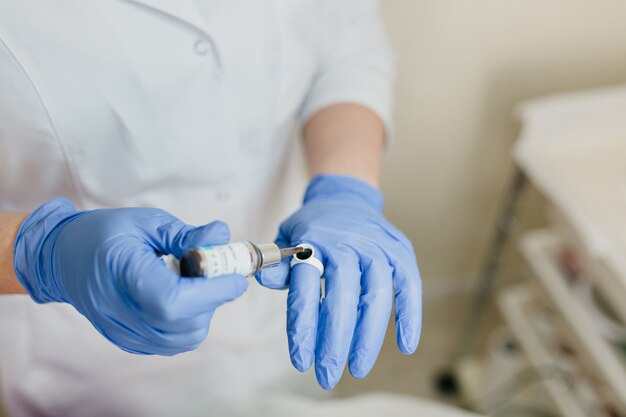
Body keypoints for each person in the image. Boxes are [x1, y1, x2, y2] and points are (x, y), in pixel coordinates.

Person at [0, 1, 422, 416]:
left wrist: (346, 188)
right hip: (87, 365)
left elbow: (347, 42)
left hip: (274, 326)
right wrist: (41, 253)